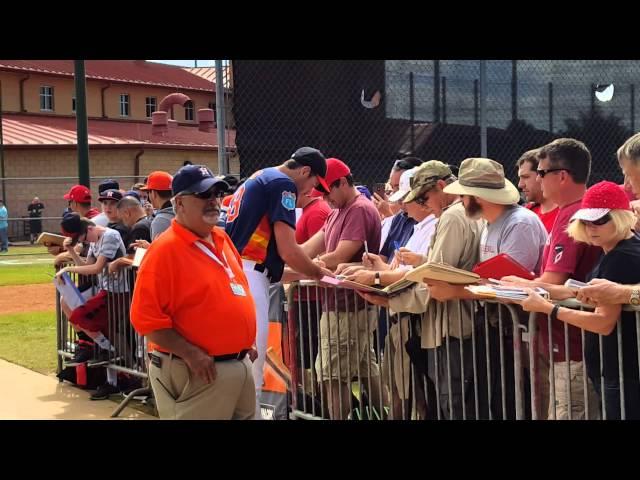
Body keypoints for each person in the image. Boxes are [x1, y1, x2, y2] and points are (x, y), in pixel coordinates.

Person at [423, 157, 548, 419]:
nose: (460, 200)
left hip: (519, 331)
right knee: (496, 402)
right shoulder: (491, 224)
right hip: (497, 328)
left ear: (477, 196)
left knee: (515, 403)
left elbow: (512, 287)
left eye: (464, 194)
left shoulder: (519, 223)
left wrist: (456, 291)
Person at [130, 165, 258, 420]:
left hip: (237, 366)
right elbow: (145, 319)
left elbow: (235, 290)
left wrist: (244, 340)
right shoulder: (165, 251)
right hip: (198, 371)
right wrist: (190, 353)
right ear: (179, 204)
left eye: (216, 194)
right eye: (203, 195)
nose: (212, 201)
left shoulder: (221, 238)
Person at [360, 160, 484, 420]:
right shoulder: (460, 213)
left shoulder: (452, 216)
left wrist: (389, 299)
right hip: (454, 324)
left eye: (425, 197)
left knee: (453, 403)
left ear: (441, 186)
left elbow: (435, 278)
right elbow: (438, 270)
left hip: (449, 326)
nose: (424, 205)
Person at [519, 181, 640, 419]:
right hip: (617, 368)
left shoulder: (622, 257)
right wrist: (525, 286)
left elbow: (603, 322)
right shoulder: (614, 250)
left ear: (621, 217)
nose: (592, 228)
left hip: (623, 370)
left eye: (600, 220)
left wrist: (547, 308)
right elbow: (581, 292)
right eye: (586, 221)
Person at [225, 147, 332, 418]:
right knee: (252, 371)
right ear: (305, 171)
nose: (311, 191)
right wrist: (320, 273)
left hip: (239, 272)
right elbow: (289, 251)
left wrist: (306, 272)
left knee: (239, 369)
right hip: (248, 277)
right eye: (314, 184)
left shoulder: (262, 175)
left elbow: (271, 265)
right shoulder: (283, 184)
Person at [502, 138, 602, 420]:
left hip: (573, 347)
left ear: (562, 176)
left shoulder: (575, 215)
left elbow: (555, 282)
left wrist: (518, 284)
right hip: (566, 343)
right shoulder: (570, 211)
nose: (537, 180)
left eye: (541, 173)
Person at [301, 157, 386, 420]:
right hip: (345, 305)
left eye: (328, 192)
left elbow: (340, 255)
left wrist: (305, 266)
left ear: (343, 182)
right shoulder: (338, 211)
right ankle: (394, 413)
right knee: (364, 370)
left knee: (330, 375)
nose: (325, 199)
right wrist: (291, 261)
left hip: (348, 306)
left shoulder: (359, 208)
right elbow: (309, 248)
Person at [517, 148, 559, 233]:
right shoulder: (526, 212)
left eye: (525, 177)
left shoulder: (567, 214)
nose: (520, 184)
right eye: (520, 178)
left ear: (542, 175)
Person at [139, 171, 174, 240]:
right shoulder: (183, 213)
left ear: (154, 193)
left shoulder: (160, 221)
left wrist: (149, 248)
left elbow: (162, 250)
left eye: (148, 192)